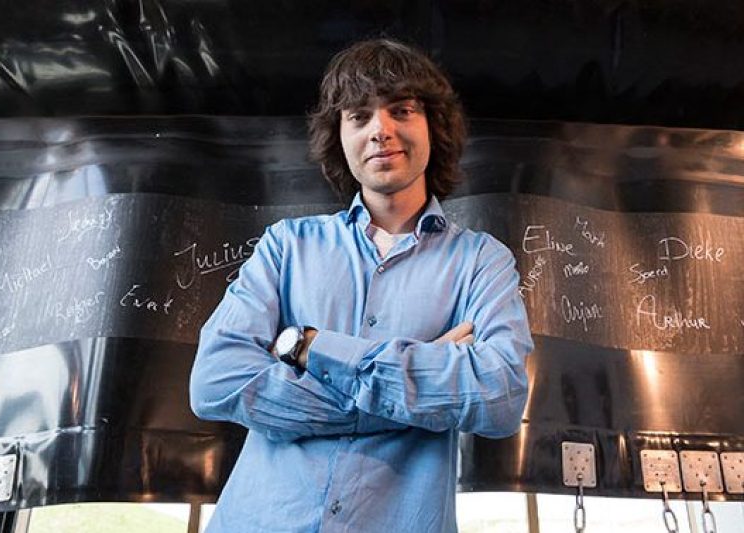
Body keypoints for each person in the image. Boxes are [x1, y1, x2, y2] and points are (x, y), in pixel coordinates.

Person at [190, 38, 533, 533]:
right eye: (359, 116)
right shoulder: (286, 246)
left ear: (433, 126)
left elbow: (500, 398)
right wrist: (421, 372)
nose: (381, 130)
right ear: (341, 135)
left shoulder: (482, 261)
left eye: (402, 110)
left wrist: (315, 349)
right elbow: (215, 382)